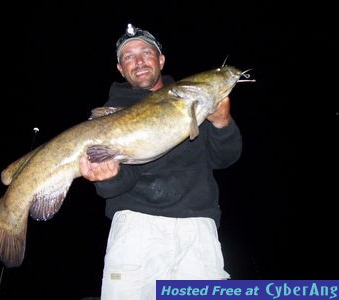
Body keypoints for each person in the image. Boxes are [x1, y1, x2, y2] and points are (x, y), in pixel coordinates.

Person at [79, 23, 242, 300]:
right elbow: (121, 183)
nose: (139, 61)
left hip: (197, 228)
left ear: (161, 60)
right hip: (136, 228)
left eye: (146, 52)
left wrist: (222, 123)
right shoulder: (110, 117)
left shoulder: (188, 99)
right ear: (120, 68)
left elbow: (224, 159)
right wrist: (109, 178)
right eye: (128, 56)